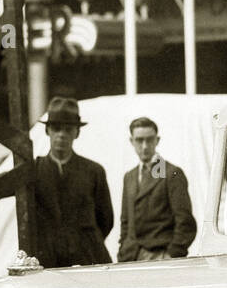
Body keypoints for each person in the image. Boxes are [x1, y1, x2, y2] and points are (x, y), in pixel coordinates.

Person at [33, 96, 115, 267]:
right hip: (47, 261)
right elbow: (1, 182)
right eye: (56, 128)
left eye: (68, 129)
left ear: (77, 133)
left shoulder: (93, 171)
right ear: (47, 131)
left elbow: (106, 219)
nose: (61, 135)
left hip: (87, 259)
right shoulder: (35, 169)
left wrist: (84, 241)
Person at [118, 116, 197, 262]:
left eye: (149, 139)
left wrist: (171, 254)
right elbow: (125, 221)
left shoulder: (171, 173)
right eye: (139, 140)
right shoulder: (129, 176)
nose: (145, 146)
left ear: (157, 140)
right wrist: (123, 250)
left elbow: (185, 221)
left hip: (160, 255)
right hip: (131, 256)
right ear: (131, 141)